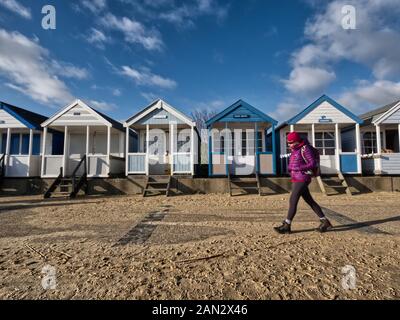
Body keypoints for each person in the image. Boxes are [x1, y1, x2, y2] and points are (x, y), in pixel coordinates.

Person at [274, 132, 333, 234]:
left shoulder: (306, 148)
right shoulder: (295, 150)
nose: (289, 145)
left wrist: (298, 168)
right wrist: (291, 168)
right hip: (297, 178)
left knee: (293, 200)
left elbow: (312, 163)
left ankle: (287, 225)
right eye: (288, 143)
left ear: (297, 141)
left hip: (303, 177)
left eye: (291, 142)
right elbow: (295, 163)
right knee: (310, 201)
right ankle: (325, 221)